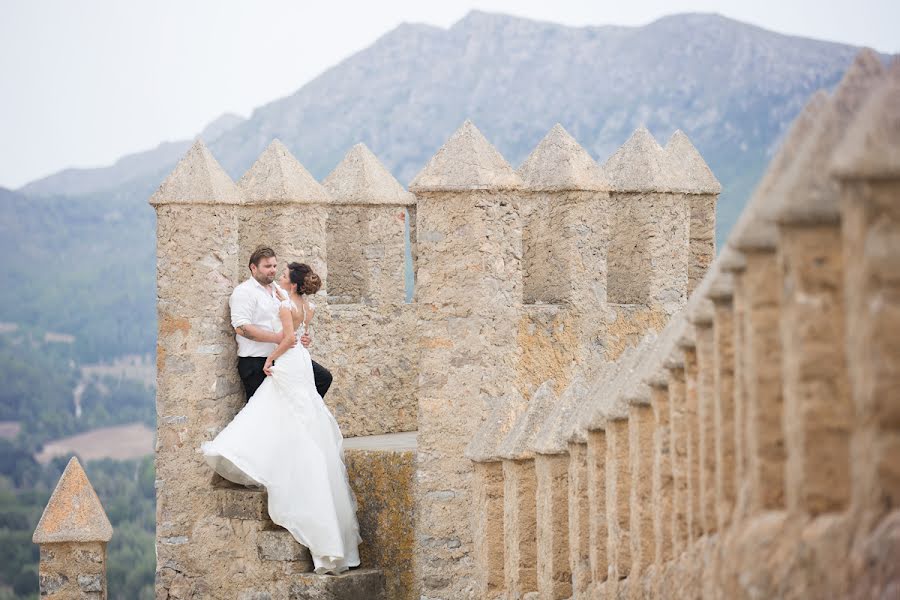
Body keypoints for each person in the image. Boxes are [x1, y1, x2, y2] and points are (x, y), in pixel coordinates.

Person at [202, 261, 361, 574]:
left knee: (269, 405)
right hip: (300, 361)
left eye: (284, 272)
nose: (279, 274)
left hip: (288, 358)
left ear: (292, 282)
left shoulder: (286, 305)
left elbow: (288, 338)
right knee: (289, 408)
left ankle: (252, 452)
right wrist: (294, 341)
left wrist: (272, 357)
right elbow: (300, 334)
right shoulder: (306, 306)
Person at [229, 246, 333, 401]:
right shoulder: (244, 292)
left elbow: (292, 320)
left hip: (283, 358)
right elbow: (241, 328)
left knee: (322, 378)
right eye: (267, 266)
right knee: (263, 413)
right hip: (257, 362)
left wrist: (302, 336)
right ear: (253, 267)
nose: (272, 270)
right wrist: (278, 338)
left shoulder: (281, 291)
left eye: (274, 266)